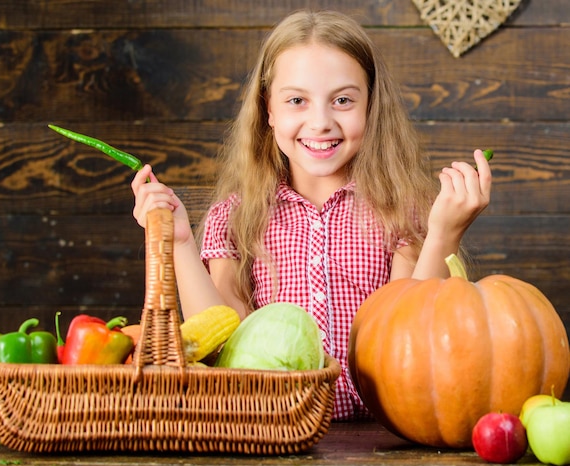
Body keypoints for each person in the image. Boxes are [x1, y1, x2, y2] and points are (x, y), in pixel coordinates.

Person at [131, 9, 492, 421]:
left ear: (371, 106)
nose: (320, 123)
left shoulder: (402, 210)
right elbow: (220, 341)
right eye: (297, 100)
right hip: (273, 429)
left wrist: (443, 234)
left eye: (342, 100)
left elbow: (410, 334)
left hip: (382, 438)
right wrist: (179, 242)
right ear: (268, 110)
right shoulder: (236, 217)